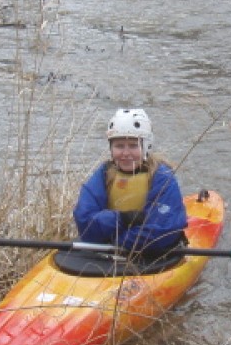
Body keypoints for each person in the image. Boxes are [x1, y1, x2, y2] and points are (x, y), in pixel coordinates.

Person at [73, 108, 188, 257]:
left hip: (151, 256)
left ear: (146, 146)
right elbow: (85, 221)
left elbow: (163, 230)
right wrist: (121, 219)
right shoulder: (104, 174)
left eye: (133, 146)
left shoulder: (162, 177)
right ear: (111, 148)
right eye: (119, 146)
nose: (126, 153)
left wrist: (117, 241)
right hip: (107, 252)